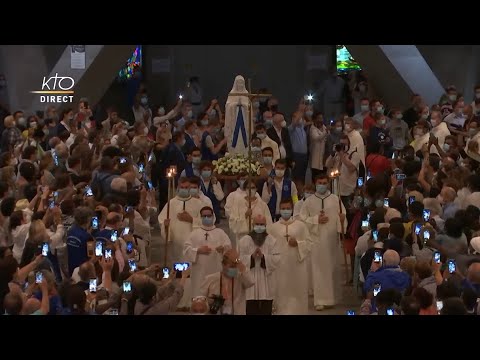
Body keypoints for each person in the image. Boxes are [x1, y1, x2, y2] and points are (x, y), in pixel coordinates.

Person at [300, 175, 346, 310]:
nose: (322, 185)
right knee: (318, 269)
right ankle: (319, 300)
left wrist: (342, 220)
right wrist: (316, 220)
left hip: (331, 240)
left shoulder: (335, 199)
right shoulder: (309, 201)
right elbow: (302, 219)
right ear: (315, 183)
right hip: (316, 240)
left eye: (325, 183)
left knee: (330, 268)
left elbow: (341, 218)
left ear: (328, 183)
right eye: (320, 182)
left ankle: (331, 298)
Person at [269, 198, 311, 314]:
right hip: (280, 266)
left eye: (288, 208)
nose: (285, 211)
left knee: (297, 290)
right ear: (279, 209)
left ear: (292, 209)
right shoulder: (273, 227)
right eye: (283, 208)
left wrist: (298, 243)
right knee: (281, 290)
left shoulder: (300, 226)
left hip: (297, 266)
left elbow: (309, 243)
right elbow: (269, 246)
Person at [183, 206, 231, 302]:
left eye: (209, 216)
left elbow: (229, 248)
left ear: (213, 217)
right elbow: (186, 250)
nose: (206, 218)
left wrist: (223, 249)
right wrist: (198, 250)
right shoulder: (194, 234)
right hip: (199, 272)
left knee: (215, 298)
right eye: (204, 216)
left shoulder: (220, 233)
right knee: (199, 298)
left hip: (216, 269)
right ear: (200, 217)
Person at [238, 214, 280, 315]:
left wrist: (264, 257)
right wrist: (251, 257)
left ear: (266, 225)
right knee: (251, 308)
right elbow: (238, 259)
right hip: (250, 280)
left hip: (266, 279)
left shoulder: (272, 240)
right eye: (257, 224)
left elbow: (277, 258)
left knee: (266, 308)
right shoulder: (244, 240)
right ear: (252, 224)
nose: (259, 226)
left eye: (262, 224)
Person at [158, 177, 203, 264]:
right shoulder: (171, 203)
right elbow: (162, 219)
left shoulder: (198, 203)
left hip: (192, 241)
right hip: (176, 241)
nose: (184, 189)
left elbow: (204, 221)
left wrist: (191, 219)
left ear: (190, 188)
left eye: (186, 187)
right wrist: (165, 225)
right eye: (182, 187)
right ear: (178, 187)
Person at [199, 248, 254, 315]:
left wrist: (238, 261)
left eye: (235, 266)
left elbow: (251, 282)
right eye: (231, 266)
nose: (233, 269)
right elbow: (201, 300)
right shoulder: (210, 279)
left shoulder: (240, 278)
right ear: (223, 265)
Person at [228, 180, 272, 247]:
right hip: (243, 237)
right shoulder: (238, 204)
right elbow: (232, 222)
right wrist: (245, 215)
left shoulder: (262, 205)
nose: (250, 190)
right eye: (248, 188)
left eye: (253, 188)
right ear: (245, 189)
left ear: (256, 189)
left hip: (259, 238)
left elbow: (269, 223)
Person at [288, 111, 309, 189]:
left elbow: (309, 122)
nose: (301, 119)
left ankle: (301, 192)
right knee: (297, 177)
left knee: (303, 176)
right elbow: (294, 123)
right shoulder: (291, 129)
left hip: (304, 156)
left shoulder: (302, 128)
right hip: (296, 155)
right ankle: (297, 194)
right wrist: (300, 110)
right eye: (298, 118)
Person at [309, 113, 327, 181]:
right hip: (315, 158)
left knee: (324, 178)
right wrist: (326, 132)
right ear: (315, 119)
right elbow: (316, 138)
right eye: (319, 118)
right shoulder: (312, 129)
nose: (321, 120)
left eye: (322, 118)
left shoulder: (324, 127)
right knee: (315, 178)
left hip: (323, 158)